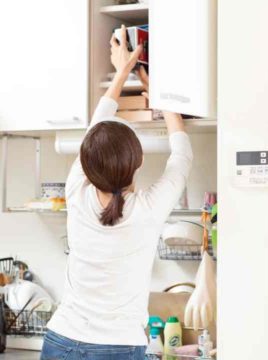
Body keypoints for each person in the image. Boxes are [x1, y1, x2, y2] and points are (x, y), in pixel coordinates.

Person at [40, 25, 193, 360]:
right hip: (117, 348)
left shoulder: (77, 189)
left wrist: (121, 70)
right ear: (136, 164)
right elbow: (181, 156)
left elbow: (96, 126)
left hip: (59, 340)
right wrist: (161, 95)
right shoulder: (149, 208)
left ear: (86, 163)